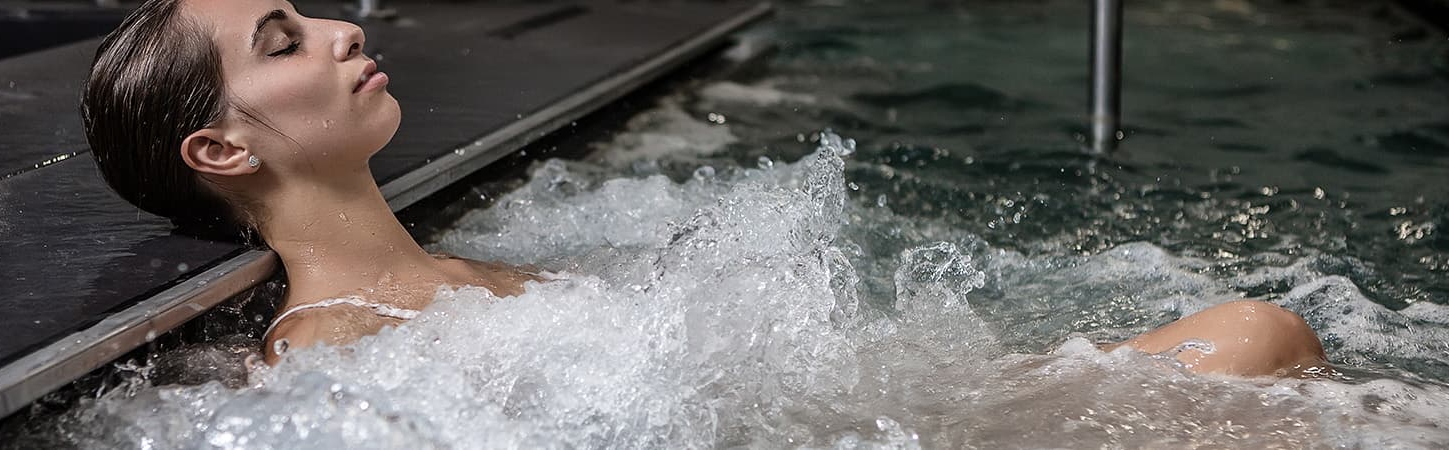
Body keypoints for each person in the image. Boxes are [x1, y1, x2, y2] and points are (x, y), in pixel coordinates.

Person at [80, 0, 1329, 376]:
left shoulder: (464, 275)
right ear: (223, 149)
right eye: (287, 41)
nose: (348, 30)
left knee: (1255, 334)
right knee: (1252, 339)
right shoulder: (336, 348)